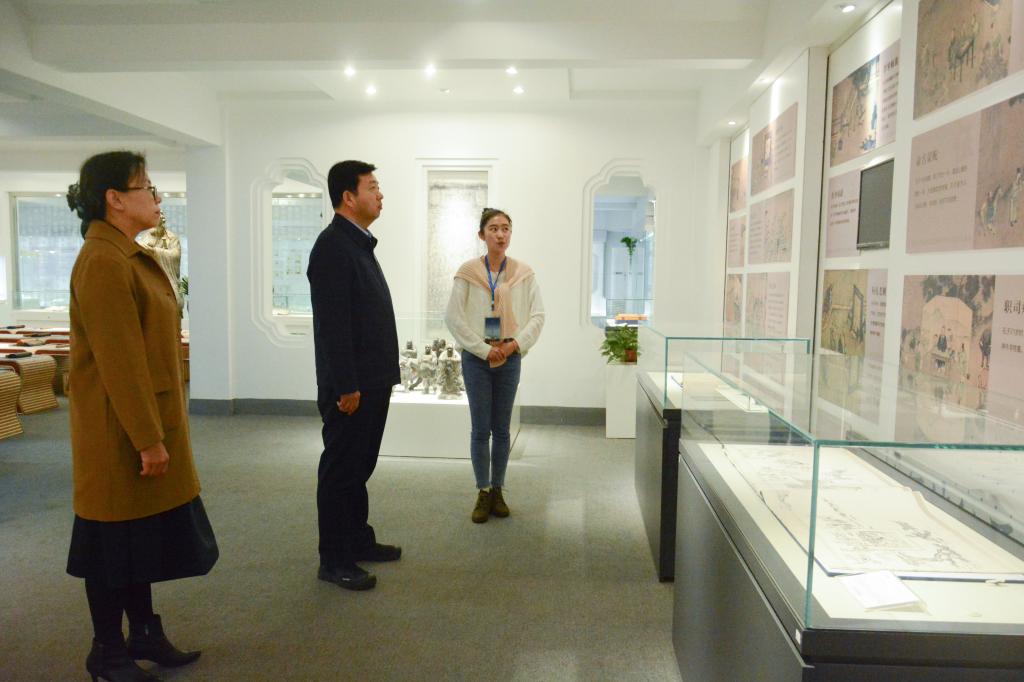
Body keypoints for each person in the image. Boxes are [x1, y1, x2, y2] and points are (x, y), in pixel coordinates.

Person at [65, 151, 217, 682]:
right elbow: (121, 363)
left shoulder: (126, 253)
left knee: (136, 538)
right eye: (147, 187)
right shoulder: (103, 261)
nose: (157, 196)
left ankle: (145, 633)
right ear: (114, 199)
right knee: (111, 544)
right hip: (119, 433)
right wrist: (149, 440)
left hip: (138, 423)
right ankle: (107, 652)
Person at [307, 160, 401, 591]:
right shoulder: (332, 247)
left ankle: (357, 539)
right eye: (372, 187)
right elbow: (333, 325)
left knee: (359, 465)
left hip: (371, 380)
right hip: (352, 386)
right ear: (349, 197)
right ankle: (334, 558)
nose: (380, 195)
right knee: (341, 469)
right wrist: (346, 385)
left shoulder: (357, 242)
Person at [445, 208, 545, 523]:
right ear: (481, 235)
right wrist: (482, 349)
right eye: (493, 228)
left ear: (510, 234)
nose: (500, 234)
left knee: (502, 430)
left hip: (509, 357)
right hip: (477, 359)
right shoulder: (468, 273)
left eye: (505, 228)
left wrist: (515, 345)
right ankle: (483, 490)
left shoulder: (523, 274)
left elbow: (538, 316)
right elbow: (453, 317)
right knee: (480, 429)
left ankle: (498, 488)